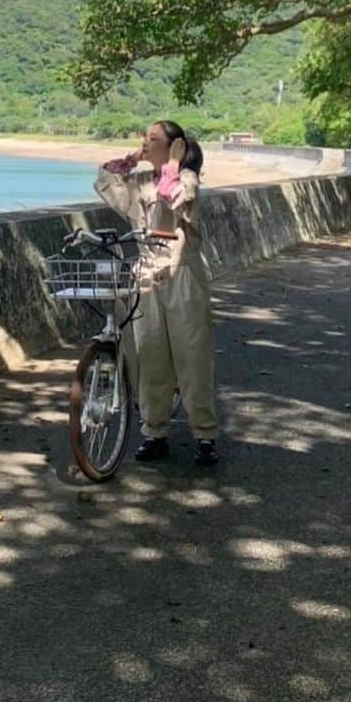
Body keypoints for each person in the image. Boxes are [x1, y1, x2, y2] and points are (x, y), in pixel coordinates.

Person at [95, 121, 218, 467]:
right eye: (144, 137)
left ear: (174, 146)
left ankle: (205, 435)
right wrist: (134, 157)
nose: (145, 142)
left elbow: (173, 197)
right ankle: (155, 432)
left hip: (182, 275)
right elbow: (106, 177)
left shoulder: (187, 179)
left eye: (154, 139)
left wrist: (175, 165)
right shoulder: (138, 183)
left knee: (192, 356)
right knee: (148, 356)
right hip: (146, 276)